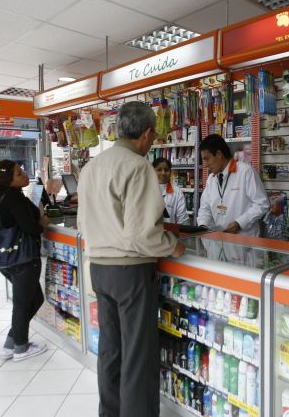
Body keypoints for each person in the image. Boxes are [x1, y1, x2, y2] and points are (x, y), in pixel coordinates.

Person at [77, 101, 186, 417]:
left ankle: (109, 412)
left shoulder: (92, 167)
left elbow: (83, 223)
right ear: (147, 133)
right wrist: (172, 245)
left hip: (99, 269)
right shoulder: (138, 166)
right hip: (131, 272)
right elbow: (142, 235)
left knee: (111, 349)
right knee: (138, 355)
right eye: (154, 136)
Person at [0, 160, 49, 361]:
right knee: (22, 304)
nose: (24, 175)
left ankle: (11, 344)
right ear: (9, 180)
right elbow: (30, 228)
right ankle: (21, 348)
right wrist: (42, 223)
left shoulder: (5, 196)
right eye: (19, 173)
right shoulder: (14, 198)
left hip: (8, 260)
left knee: (35, 299)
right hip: (22, 260)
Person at [197, 134, 269, 236]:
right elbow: (205, 208)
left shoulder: (245, 171)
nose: (205, 164)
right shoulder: (211, 179)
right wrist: (203, 225)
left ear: (219, 154)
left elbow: (262, 204)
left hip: (244, 240)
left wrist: (240, 223)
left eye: (207, 159)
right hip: (219, 239)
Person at [153, 157, 190, 225]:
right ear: (152, 171)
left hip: (170, 231)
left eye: (166, 170)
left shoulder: (177, 192)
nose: (163, 173)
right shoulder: (146, 190)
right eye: (159, 170)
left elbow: (182, 219)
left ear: (170, 172)